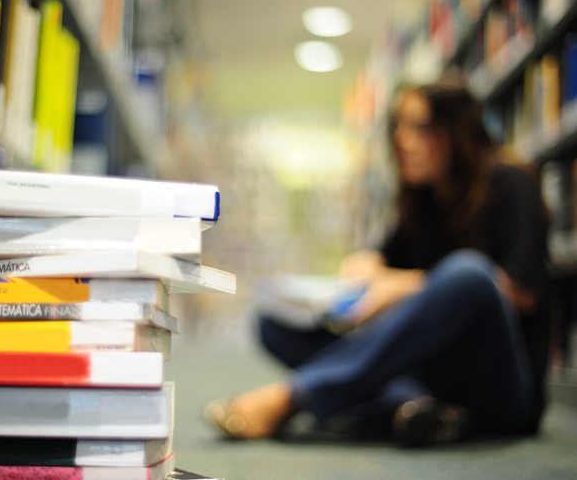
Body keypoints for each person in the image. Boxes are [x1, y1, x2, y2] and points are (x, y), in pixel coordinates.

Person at [203, 82, 551, 446]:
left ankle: (300, 396)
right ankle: (413, 411)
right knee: (273, 325)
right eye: (398, 127)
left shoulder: (508, 181)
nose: (403, 140)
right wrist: (362, 270)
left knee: (470, 274)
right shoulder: (421, 202)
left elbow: (523, 292)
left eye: (420, 126)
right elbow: (379, 263)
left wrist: (401, 285)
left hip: (500, 392)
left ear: (457, 130)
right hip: (431, 374)